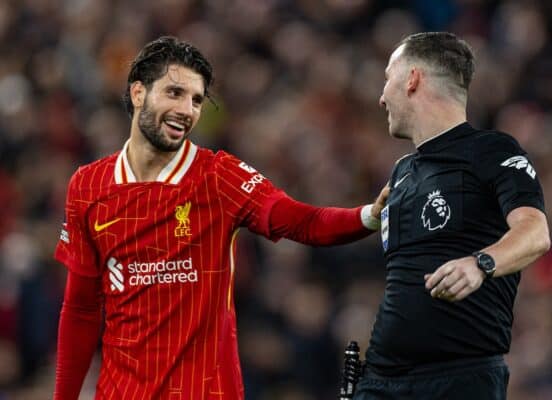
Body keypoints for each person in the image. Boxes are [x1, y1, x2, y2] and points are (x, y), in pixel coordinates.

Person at [53, 36, 387, 400]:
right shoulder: (88, 186)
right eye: (175, 93)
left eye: (196, 99)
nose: (187, 109)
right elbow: (81, 309)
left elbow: (300, 221)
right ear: (138, 93)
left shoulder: (218, 177)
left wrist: (368, 215)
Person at [354, 32, 551, 400]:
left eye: (388, 77)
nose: (382, 97)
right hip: (381, 380)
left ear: (412, 78)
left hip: (458, 381)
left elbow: (535, 231)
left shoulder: (492, 150)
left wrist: (481, 264)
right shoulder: (401, 173)